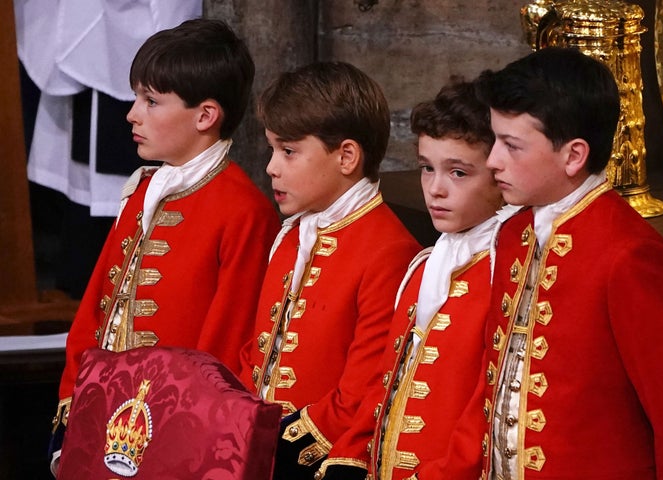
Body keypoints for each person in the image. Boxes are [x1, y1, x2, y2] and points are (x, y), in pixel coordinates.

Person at [475, 46, 663, 479]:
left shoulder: (627, 254)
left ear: (573, 155)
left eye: (511, 145)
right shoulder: (514, 234)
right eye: (495, 140)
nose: (493, 160)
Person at [50, 18, 279, 474]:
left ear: (205, 115)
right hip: (103, 420)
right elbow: (96, 310)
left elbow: (226, 346)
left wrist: (187, 438)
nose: (132, 114)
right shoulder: (140, 191)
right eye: (138, 97)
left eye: (151, 101)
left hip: (175, 436)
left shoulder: (243, 211)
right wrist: (71, 409)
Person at [238, 61, 421, 480]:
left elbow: (361, 391)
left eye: (288, 151)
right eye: (272, 150)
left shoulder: (389, 251)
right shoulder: (291, 235)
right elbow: (260, 353)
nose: (271, 166)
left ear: (347, 157)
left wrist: (274, 444)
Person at [315, 78, 503, 480]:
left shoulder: (502, 275)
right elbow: (386, 384)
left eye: (458, 173)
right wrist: (348, 456)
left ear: (500, 174)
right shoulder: (423, 268)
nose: (435, 189)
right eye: (426, 168)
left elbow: (487, 419)